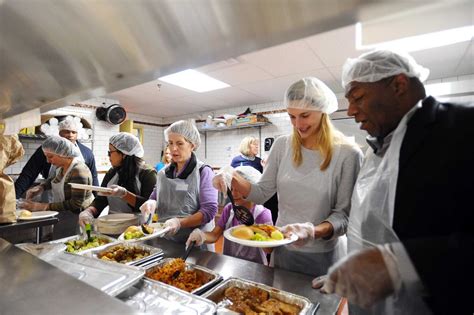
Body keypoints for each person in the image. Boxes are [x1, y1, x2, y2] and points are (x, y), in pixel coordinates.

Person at [317, 50, 473, 315]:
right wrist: (350, 271)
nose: (351, 111)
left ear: (399, 85)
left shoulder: (461, 128)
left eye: (358, 98)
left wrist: (399, 263)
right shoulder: (378, 148)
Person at [214, 77, 363, 277]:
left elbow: (343, 217)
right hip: (282, 248)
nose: (298, 125)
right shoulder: (282, 146)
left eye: (305, 115)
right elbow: (260, 193)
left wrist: (311, 231)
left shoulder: (347, 154)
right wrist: (230, 174)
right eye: (292, 117)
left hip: (324, 257)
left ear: (323, 112)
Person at [140, 120, 218, 250]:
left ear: (192, 145)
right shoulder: (162, 173)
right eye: (170, 143)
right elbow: (155, 196)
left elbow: (209, 211)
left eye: (180, 143)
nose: (173, 149)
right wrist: (151, 203)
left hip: (194, 244)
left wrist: (179, 223)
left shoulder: (203, 172)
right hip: (166, 240)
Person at [186, 165, 272, 264]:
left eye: (239, 189)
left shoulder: (262, 214)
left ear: (250, 189)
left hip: (255, 267)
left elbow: (269, 250)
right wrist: (201, 236)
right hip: (230, 264)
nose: (234, 194)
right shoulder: (229, 209)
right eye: (231, 188)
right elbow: (214, 235)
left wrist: (255, 231)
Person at [78, 132, 157, 226]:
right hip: (112, 226)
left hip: (137, 228)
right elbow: (101, 200)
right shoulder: (112, 172)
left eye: (110, 152)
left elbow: (149, 205)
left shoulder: (147, 173)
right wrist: (89, 212)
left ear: (123, 153)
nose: (108, 156)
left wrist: (125, 195)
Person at [15, 116, 98, 199]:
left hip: (76, 200)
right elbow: (29, 173)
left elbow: (93, 178)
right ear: (60, 133)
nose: (70, 135)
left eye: (74, 132)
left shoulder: (87, 153)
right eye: (66, 132)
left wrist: (97, 203)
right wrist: (14, 197)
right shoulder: (46, 150)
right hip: (51, 197)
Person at [21, 136, 93, 213]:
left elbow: (76, 203)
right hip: (66, 214)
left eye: (50, 157)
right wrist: (41, 187)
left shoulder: (78, 171)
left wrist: (43, 206)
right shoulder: (62, 167)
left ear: (63, 153)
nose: (48, 161)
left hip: (81, 217)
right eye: (46, 157)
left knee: (86, 225)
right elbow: (55, 179)